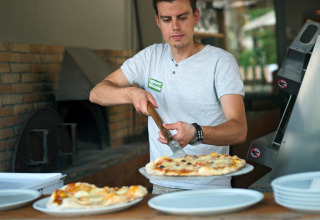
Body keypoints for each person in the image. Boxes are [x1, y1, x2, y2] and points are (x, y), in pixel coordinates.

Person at [89, 0, 247, 194]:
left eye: (182, 17)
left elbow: (239, 130)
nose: (175, 27)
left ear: (196, 16)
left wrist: (196, 132)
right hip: (161, 186)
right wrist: (131, 93)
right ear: (157, 21)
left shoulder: (221, 62)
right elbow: (96, 93)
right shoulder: (149, 57)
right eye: (167, 19)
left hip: (210, 187)